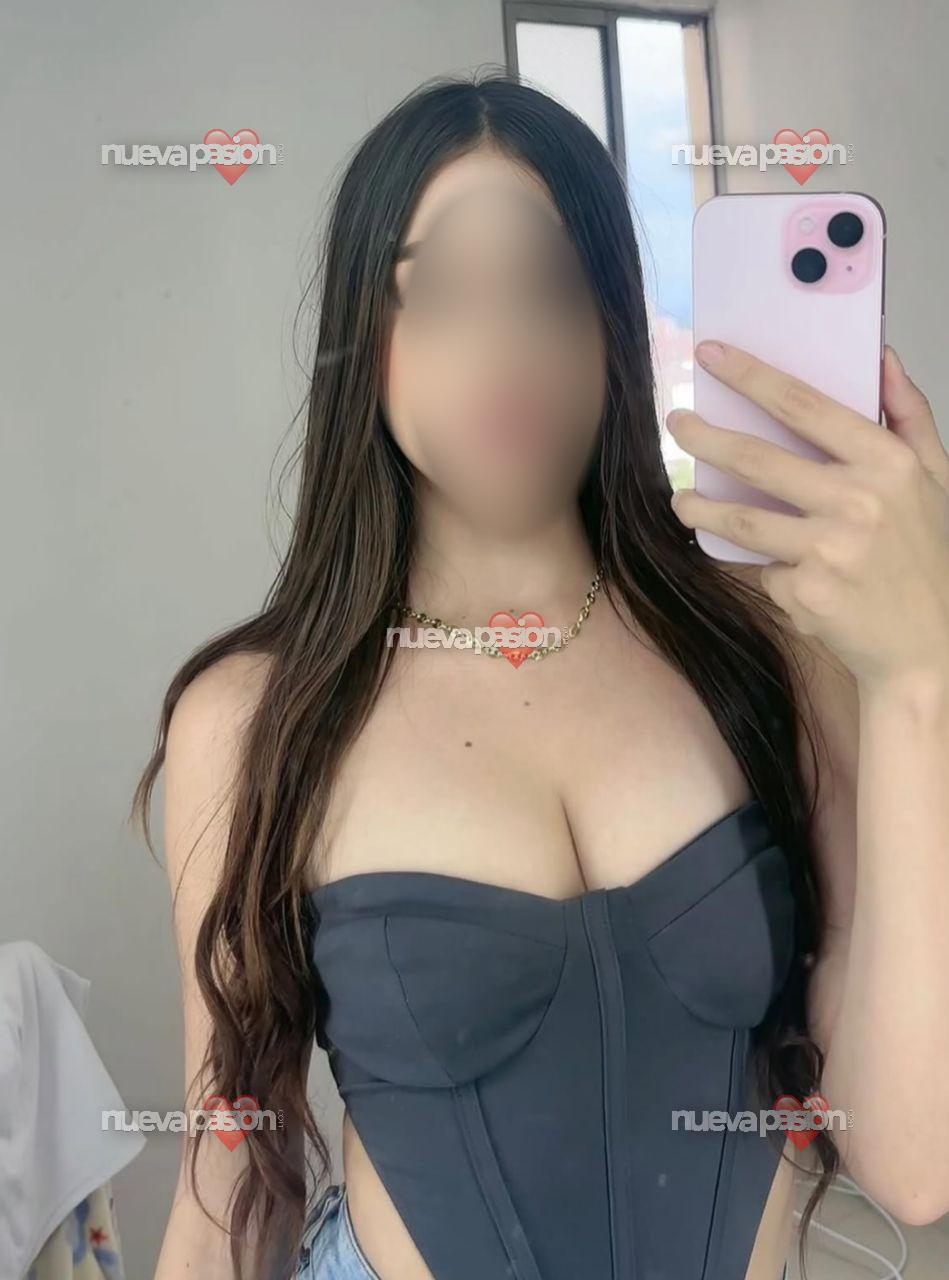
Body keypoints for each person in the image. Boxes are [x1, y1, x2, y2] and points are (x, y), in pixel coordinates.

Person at [136, 71, 949, 1280]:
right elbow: (228, 1185)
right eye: (437, 294)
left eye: (551, 286)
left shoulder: (769, 645)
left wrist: (920, 672)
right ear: (364, 340)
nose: (502, 348)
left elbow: (915, 1164)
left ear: (612, 324)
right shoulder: (255, 716)